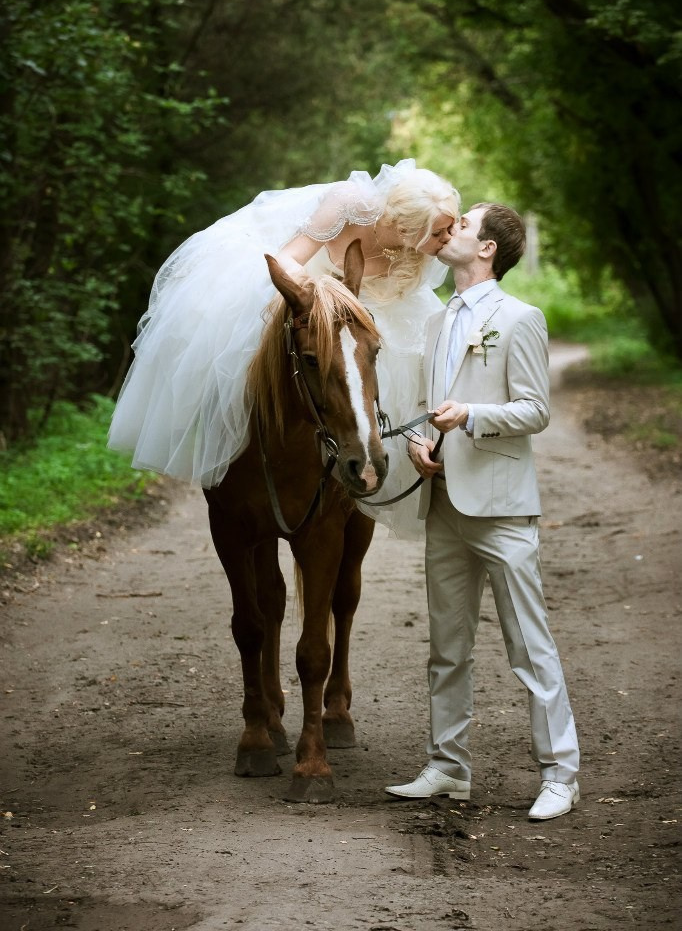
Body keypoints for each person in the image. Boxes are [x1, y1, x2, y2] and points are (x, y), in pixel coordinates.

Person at [108, 159, 460, 538]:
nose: (450, 237)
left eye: (453, 228)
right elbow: (288, 257)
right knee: (242, 352)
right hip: (307, 290)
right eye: (442, 230)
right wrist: (318, 299)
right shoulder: (349, 203)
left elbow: (399, 305)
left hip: (362, 313)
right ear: (407, 226)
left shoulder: (420, 254)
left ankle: (370, 460)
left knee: (395, 367)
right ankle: (226, 444)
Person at [385, 202, 580, 820]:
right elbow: (429, 401)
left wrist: (471, 417)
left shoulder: (520, 318)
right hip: (444, 502)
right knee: (448, 645)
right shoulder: (439, 321)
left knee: (529, 646)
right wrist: (421, 441)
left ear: (489, 248)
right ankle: (448, 767)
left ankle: (560, 774)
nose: (452, 230)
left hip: (500, 505)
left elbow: (535, 411)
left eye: (464, 225)